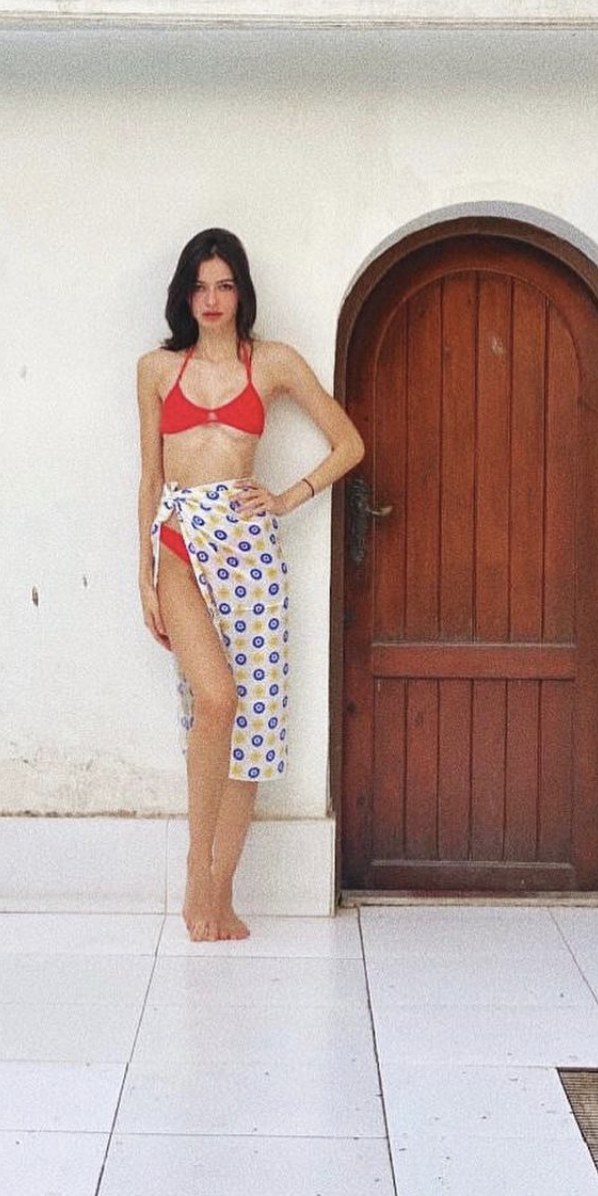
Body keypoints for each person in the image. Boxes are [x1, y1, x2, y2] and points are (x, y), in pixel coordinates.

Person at [138, 229, 364, 942]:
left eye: (224, 285)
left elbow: (350, 443)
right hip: (181, 538)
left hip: (249, 551)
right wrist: (143, 575)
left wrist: (289, 496)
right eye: (200, 286)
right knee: (217, 699)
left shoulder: (272, 363)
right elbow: (149, 477)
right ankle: (196, 870)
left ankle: (222, 890)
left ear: (241, 293)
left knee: (252, 722)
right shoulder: (157, 369)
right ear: (185, 295)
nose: (211, 299)